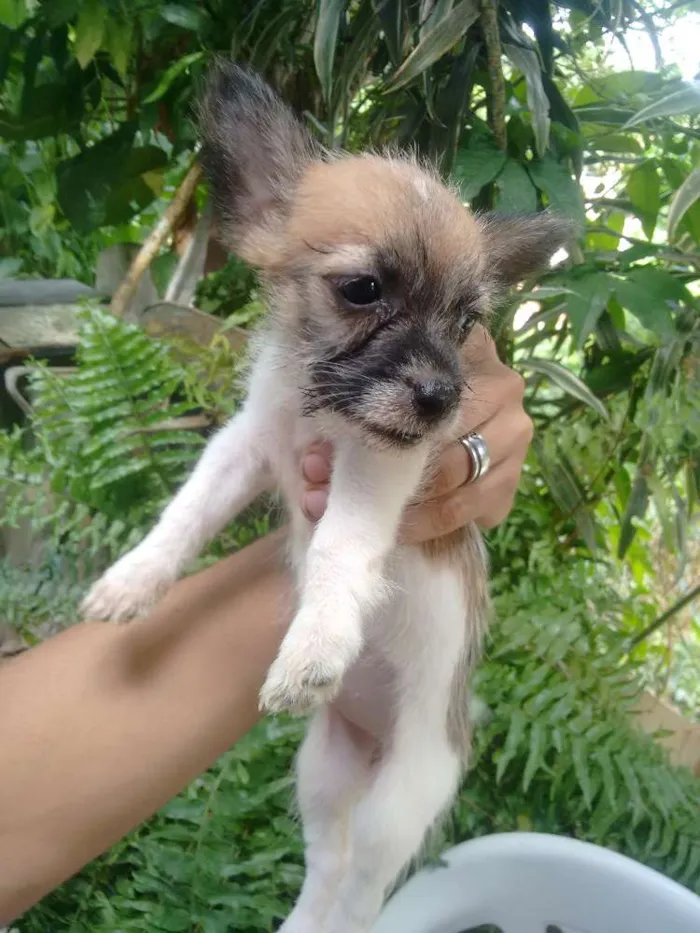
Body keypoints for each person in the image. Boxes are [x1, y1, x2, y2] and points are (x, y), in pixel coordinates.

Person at [0, 326, 533, 924]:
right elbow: (251, 447)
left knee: (381, 842)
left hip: (418, 700)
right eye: (359, 290)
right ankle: (319, 901)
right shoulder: (285, 364)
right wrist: (157, 559)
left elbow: (357, 500)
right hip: (342, 665)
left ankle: (359, 907)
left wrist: (463, 459)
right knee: (326, 806)